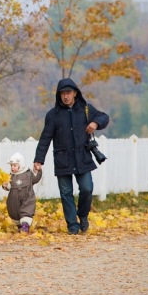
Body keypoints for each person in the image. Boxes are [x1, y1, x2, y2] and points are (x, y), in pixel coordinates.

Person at [33, 78, 109, 234]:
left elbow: (104, 117)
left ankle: (83, 215)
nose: (65, 96)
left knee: (87, 189)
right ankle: (72, 225)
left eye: (68, 93)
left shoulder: (86, 109)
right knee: (66, 193)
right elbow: (45, 138)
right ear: (59, 95)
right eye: (62, 93)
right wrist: (38, 160)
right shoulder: (53, 115)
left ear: (75, 93)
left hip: (83, 157)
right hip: (63, 159)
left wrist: (95, 123)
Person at [2, 152, 42, 233]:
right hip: (14, 200)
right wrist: (5, 185)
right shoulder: (11, 176)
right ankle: (20, 225)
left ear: (20, 165)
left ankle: (25, 225)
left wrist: (38, 171)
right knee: (14, 212)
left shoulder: (28, 173)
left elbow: (35, 179)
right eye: (11, 166)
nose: (12, 167)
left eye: (14, 165)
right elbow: (9, 186)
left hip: (27, 197)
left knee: (26, 210)